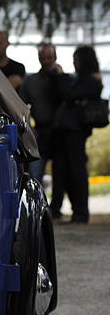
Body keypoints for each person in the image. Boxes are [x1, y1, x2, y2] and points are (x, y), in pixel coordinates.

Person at [50, 46, 103, 224]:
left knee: (77, 170)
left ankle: (81, 211)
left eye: (77, 59)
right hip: (65, 130)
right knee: (62, 170)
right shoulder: (79, 80)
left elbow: (69, 94)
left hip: (76, 131)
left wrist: (61, 76)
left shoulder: (91, 81)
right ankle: (74, 210)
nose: (74, 63)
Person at [18, 43, 60, 182]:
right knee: (35, 173)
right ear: (39, 59)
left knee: (61, 175)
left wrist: (59, 75)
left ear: (55, 57)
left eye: (49, 57)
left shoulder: (62, 79)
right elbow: (20, 105)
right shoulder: (31, 81)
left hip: (60, 133)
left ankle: (56, 204)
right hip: (40, 132)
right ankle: (38, 202)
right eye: (43, 58)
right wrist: (29, 124)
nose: (46, 62)